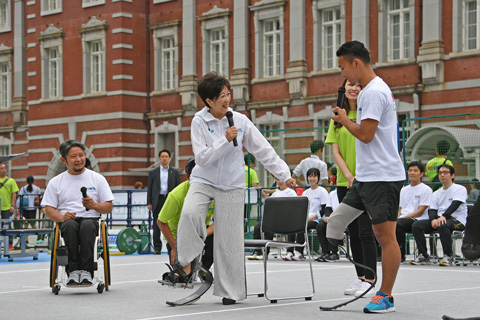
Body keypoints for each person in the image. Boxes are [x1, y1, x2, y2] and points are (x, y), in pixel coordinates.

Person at [173, 72, 296, 305]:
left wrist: (284, 175)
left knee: (229, 240)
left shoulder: (240, 121)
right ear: (209, 101)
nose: (227, 99)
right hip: (203, 180)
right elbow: (201, 159)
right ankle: (187, 262)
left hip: (231, 184)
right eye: (222, 96)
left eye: (228, 93)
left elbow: (263, 150)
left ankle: (230, 291)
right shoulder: (199, 122)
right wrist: (225, 140)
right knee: (189, 213)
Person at [326, 41, 406, 313]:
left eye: (343, 68)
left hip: (382, 177)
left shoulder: (372, 93)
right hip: (366, 177)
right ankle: (363, 276)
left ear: (355, 63)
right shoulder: (372, 90)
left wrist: (344, 118)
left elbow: (366, 135)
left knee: (385, 237)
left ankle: (385, 295)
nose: (343, 75)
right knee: (335, 223)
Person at [325, 78, 378, 298]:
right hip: (344, 183)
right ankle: (360, 277)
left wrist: (358, 176)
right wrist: (347, 175)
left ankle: (371, 278)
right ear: (343, 89)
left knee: (366, 231)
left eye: (358, 85)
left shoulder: (367, 116)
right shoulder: (337, 118)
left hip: (366, 181)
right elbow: (336, 152)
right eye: (350, 85)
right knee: (353, 232)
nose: (354, 88)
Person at [42, 140, 114, 285]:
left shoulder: (97, 178)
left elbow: (108, 206)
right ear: (64, 160)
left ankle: (87, 271)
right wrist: (61, 217)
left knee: (87, 226)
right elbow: (48, 208)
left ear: (85, 155)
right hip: (67, 221)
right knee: (69, 226)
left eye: (81, 155)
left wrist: (94, 205)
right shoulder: (55, 182)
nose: (78, 159)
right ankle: (73, 271)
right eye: (73, 156)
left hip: (90, 219)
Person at [158, 159, 214, 270]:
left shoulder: (214, 193)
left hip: (201, 232)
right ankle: (182, 266)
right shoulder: (176, 195)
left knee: (217, 239)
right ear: (188, 177)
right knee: (183, 278)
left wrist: (202, 235)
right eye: (196, 177)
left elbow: (219, 222)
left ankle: (204, 268)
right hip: (179, 236)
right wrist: (174, 247)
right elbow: (161, 221)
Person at [410, 164, 467, 266]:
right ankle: (424, 256)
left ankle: (448, 257)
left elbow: (455, 205)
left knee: (442, 224)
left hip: (457, 220)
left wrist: (443, 217)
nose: (442, 175)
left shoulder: (459, 189)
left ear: (452, 175)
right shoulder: (436, 193)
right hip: (440, 219)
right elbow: (432, 210)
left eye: (445, 172)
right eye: (440, 173)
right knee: (416, 225)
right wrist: (432, 220)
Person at [248, 176, 297, 260]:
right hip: (274, 219)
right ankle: (257, 251)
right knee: (257, 227)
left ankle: (267, 252)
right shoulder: (275, 194)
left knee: (269, 227)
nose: (279, 182)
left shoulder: (291, 193)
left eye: (281, 179)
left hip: (286, 220)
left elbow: (293, 208)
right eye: (277, 179)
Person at [396, 161, 432, 263]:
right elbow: (400, 208)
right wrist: (397, 218)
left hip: (418, 219)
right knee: (389, 223)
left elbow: (420, 211)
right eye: (410, 170)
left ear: (421, 174)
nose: (412, 173)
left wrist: (401, 218)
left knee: (399, 224)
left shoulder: (426, 189)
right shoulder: (404, 189)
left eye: (415, 171)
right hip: (403, 219)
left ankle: (401, 255)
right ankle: (382, 254)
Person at [147, 149, 180, 254]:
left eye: (166, 156)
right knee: (157, 223)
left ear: (169, 158)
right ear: (159, 158)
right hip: (158, 199)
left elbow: (178, 187)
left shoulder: (174, 173)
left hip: (170, 199)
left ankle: (172, 245)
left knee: (171, 222)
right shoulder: (153, 173)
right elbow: (150, 189)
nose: (164, 158)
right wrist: (149, 202)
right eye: (162, 156)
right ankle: (157, 247)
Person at [0, 163, 19, 249]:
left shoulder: (11, 181)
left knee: (8, 225)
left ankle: (9, 244)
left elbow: (14, 194)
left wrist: (12, 205)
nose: (3, 170)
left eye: (5, 168)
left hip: (7, 207)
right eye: (1, 168)